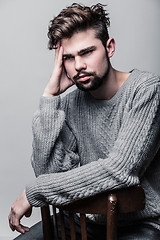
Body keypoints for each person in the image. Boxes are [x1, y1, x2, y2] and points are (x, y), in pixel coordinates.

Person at [8, 3, 160, 240]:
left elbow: (119, 170)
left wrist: (35, 192)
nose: (78, 66)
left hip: (141, 224)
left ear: (109, 48)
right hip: (82, 220)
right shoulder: (68, 104)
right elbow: (47, 173)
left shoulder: (146, 91)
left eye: (87, 52)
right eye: (68, 58)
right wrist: (50, 99)